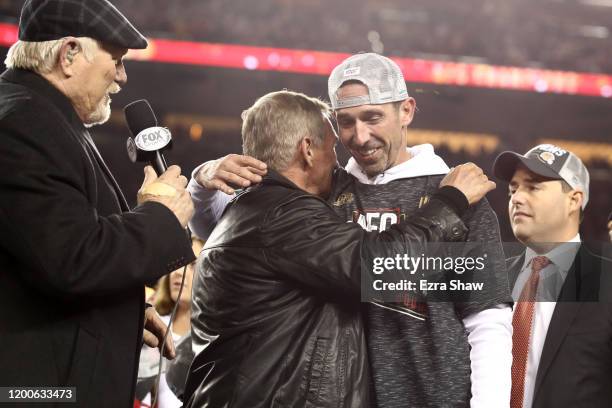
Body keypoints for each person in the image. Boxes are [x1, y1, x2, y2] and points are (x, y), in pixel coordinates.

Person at [188, 53, 513, 407]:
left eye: (373, 117)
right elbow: (224, 229)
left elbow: (487, 319)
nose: (360, 136)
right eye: (346, 121)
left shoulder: (460, 195)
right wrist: (203, 178)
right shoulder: (319, 192)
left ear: (406, 111)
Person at [0, 1, 195, 406]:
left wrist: (118, 312)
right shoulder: (24, 123)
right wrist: (158, 217)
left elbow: (41, 260)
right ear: (69, 53)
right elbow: (72, 258)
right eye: (117, 60)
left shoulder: (41, 116)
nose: (122, 77)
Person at [493, 143, 612, 408]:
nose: (517, 198)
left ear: (574, 200)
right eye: (513, 189)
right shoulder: (491, 277)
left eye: (533, 187)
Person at [137, 237, 204, 408]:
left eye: (192, 265)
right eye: (177, 262)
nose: (178, 272)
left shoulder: (215, 340)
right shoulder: (147, 326)